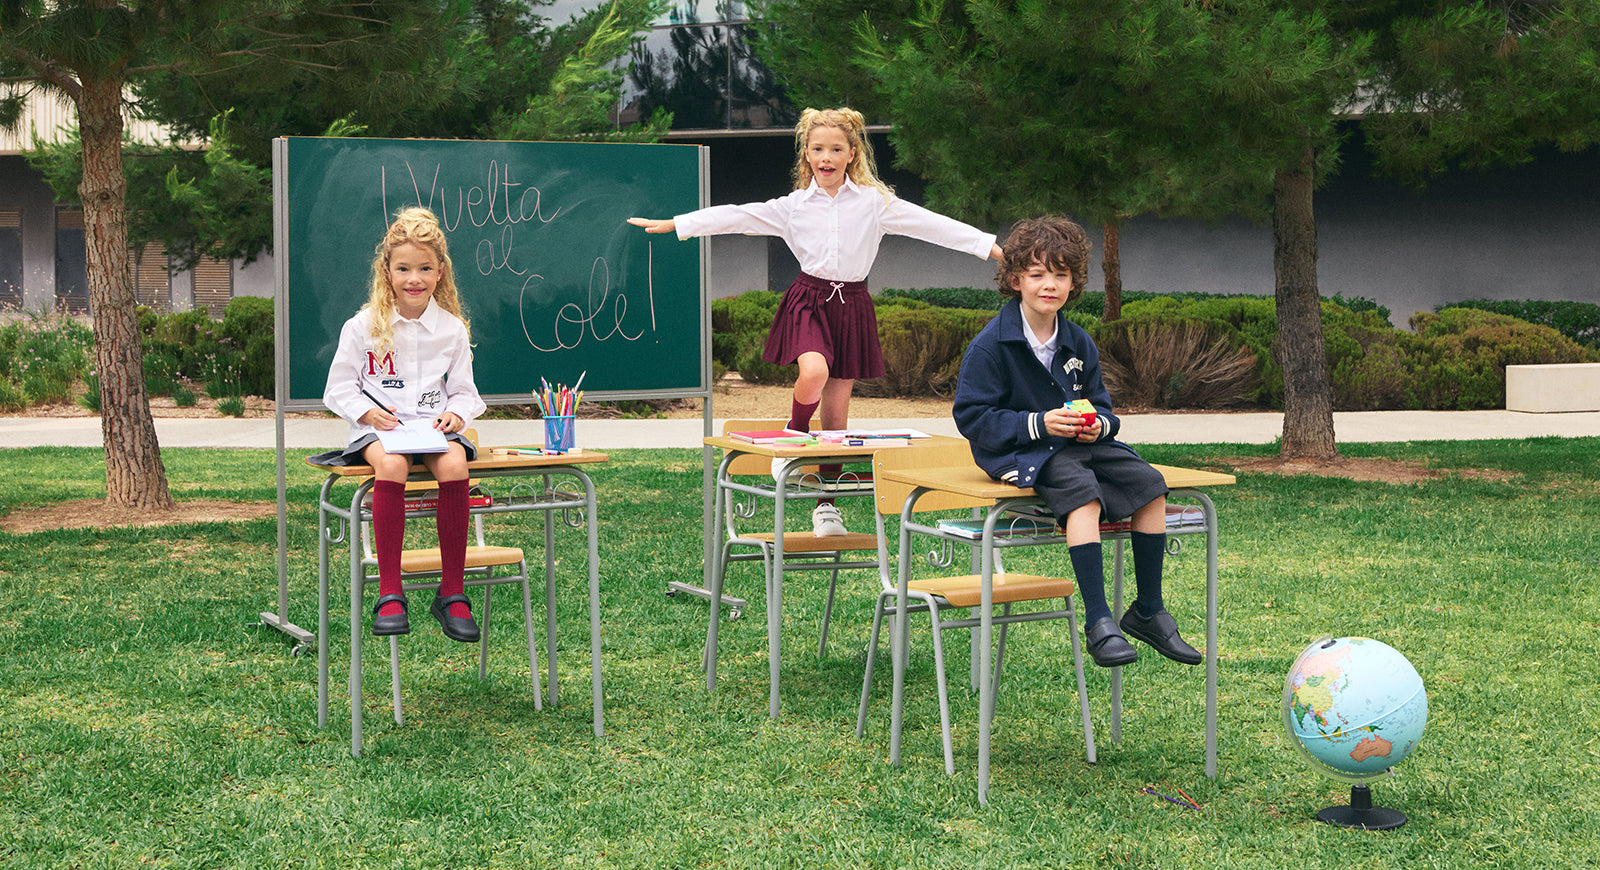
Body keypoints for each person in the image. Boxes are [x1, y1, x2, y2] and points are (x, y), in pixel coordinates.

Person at [629, 106, 1003, 537]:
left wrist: (987, 246)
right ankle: (793, 435)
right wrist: (679, 224)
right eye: (817, 148)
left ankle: (827, 505)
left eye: (836, 149)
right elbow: (736, 214)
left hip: (854, 306)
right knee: (814, 370)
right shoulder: (791, 207)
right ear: (806, 154)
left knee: (838, 419)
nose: (826, 157)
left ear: (852, 153)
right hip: (808, 299)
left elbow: (930, 225)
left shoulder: (875, 204)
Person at [952, 215, 1201, 668]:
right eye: (1038, 274)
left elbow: (1103, 409)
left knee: (1149, 484)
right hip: (1021, 450)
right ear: (1015, 280)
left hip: (1076, 444)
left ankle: (1148, 610)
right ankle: (1099, 620)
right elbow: (971, 417)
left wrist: (1095, 427)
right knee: (1082, 496)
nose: (1050, 284)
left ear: (1074, 282)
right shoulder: (991, 346)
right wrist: (1038, 424)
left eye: (1061, 274)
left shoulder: (1078, 342)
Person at [322, 207, 487, 642]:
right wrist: (366, 412)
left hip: (432, 429)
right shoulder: (363, 327)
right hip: (381, 430)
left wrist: (457, 413)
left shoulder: (450, 330)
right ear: (387, 272)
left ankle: (452, 591)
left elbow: (467, 393)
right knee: (392, 465)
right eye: (403, 268)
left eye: (425, 268)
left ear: (440, 273)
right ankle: (390, 592)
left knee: (455, 466)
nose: (414, 278)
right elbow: (338, 388)